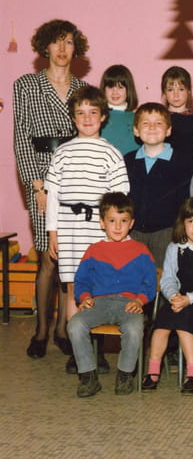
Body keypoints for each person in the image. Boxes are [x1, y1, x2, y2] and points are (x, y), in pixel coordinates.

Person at [13, 19, 88, 359]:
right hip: (41, 177)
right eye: (56, 42)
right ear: (45, 47)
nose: (62, 49)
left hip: (76, 177)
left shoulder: (83, 88)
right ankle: (41, 331)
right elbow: (21, 137)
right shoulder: (26, 85)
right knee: (47, 257)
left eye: (68, 42)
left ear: (76, 48)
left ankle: (62, 329)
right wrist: (37, 185)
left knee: (70, 259)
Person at [45, 86, 130, 373]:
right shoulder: (62, 153)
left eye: (93, 112)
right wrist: (53, 233)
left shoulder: (111, 153)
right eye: (80, 113)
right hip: (69, 229)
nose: (87, 118)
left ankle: (98, 350)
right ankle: (77, 352)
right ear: (73, 117)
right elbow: (53, 197)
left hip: (99, 229)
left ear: (103, 116)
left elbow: (120, 199)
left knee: (99, 289)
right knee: (73, 288)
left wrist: (115, 233)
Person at [66, 192, 157, 397]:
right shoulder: (93, 250)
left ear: (131, 223)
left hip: (129, 304)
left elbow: (150, 283)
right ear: (102, 223)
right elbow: (81, 281)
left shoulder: (141, 251)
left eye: (123, 221)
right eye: (112, 220)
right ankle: (88, 376)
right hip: (98, 303)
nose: (117, 226)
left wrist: (139, 300)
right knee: (75, 325)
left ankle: (125, 375)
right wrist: (85, 297)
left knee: (134, 328)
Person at [142, 196, 193, 394]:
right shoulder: (174, 247)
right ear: (182, 223)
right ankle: (153, 371)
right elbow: (167, 279)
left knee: (184, 325)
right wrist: (173, 296)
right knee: (161, 326)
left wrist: (189, 299)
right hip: (178, 298)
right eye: (191, 221)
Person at [125, 103, 193, 268]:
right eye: (145, 123)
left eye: (158, 123)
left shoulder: (183, 162)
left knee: (164, 277)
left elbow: (185, 202)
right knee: (132, 275)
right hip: (133, 231)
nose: (152, 127)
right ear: (136, 130)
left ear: (168, 130)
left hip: (166, 233)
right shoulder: (128, 161)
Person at [161, 66, 193, 161]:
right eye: (170, 90)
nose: (176, 95)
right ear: (164, 92)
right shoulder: (159, 119)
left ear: (189, 91)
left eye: (181, 89)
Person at [99, 64, 139, 156]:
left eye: (120, 87)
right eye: (110, 87)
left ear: (129, 90)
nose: (115, 92)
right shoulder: (97, 116)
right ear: (104, 89)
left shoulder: (137, 117)